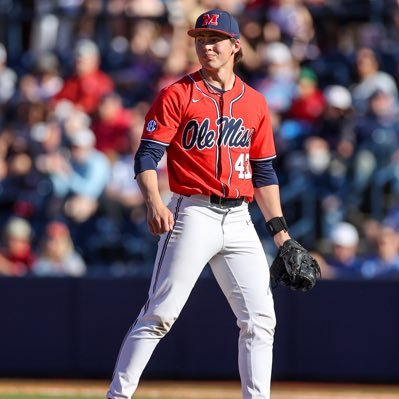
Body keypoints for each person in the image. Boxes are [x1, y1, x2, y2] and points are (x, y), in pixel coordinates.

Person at [107, 9, 293, 399]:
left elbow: (263, 174)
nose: (206, 46)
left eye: (215, 39)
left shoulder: (255, 103)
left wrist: (282, 236)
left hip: (241, 219)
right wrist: (154, 200)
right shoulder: (178, 94)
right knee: (160, 313)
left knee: (261, 320)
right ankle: (118, 395)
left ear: (235, 46)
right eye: (200, 39)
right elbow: (146, 155)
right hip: (193, 213)